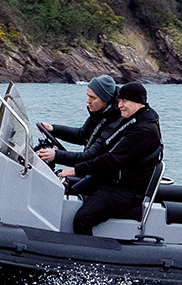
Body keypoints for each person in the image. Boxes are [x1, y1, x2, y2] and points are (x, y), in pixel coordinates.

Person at [59, 82, 162, 235]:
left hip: (126, 189)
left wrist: (76, 170)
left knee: (82, 219)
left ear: (137, 102)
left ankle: (89, 250)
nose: (119, 105)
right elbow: (103, 150)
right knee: (70, 193)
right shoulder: (133, 120)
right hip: (111, 180)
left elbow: (111, 160)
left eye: (124, 101)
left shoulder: (144, 130)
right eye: (119, 101)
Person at [36, 75, 121, 168]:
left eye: (93, 98)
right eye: (88, 96)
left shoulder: (114, 123)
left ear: (105, 100)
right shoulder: (99, 113)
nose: (88, 101)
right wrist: (53, 129)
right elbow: (81, 135)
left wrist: (56, 155)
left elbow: (90, 157)